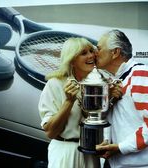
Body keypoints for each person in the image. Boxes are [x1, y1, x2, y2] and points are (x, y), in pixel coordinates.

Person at [95, 29, 148, 168]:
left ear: (115, 52)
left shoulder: (141, 73)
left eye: (99, 48)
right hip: (115, 163)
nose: (95, 53)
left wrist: (120, 147)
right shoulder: (113, 79)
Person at [38, 37, 101, 168]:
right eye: (84, 53)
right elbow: (50, 132)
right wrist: (68, 101)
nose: (91, 56)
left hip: (91, 152)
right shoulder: (55, 83)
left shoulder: (98, 85)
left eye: (91, 51)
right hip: (65, 150)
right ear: (72, 60)